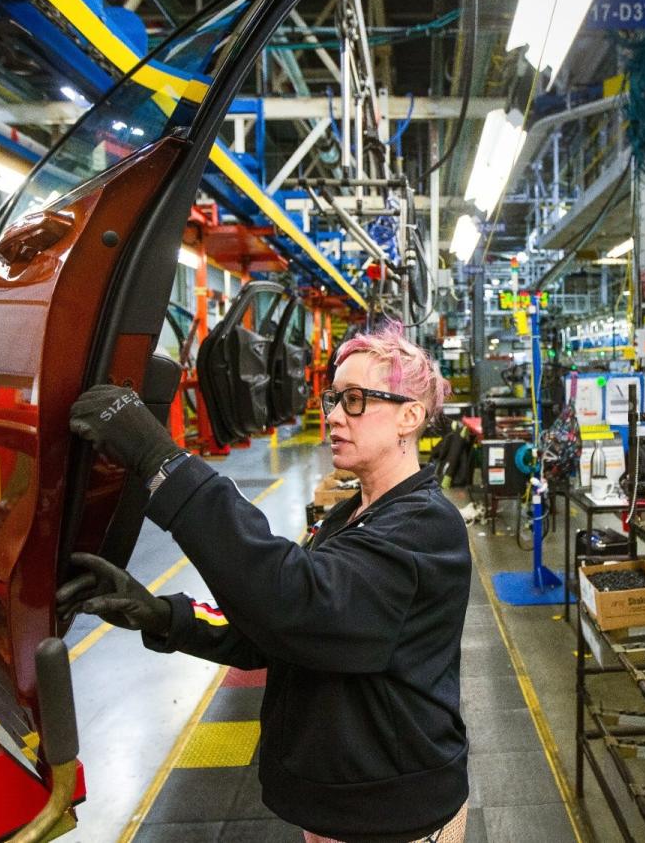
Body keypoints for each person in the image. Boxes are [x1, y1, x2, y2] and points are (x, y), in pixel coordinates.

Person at [57, 320, 471, 843]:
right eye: (333, 400)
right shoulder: (350, 516)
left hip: (393, 816)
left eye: (356, 401)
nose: (335, 417)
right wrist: (165, 616)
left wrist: (163, 465)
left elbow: (293, 602)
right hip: (341, 805)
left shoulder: (425, 527)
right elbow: (280, 633)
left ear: (410, 417)